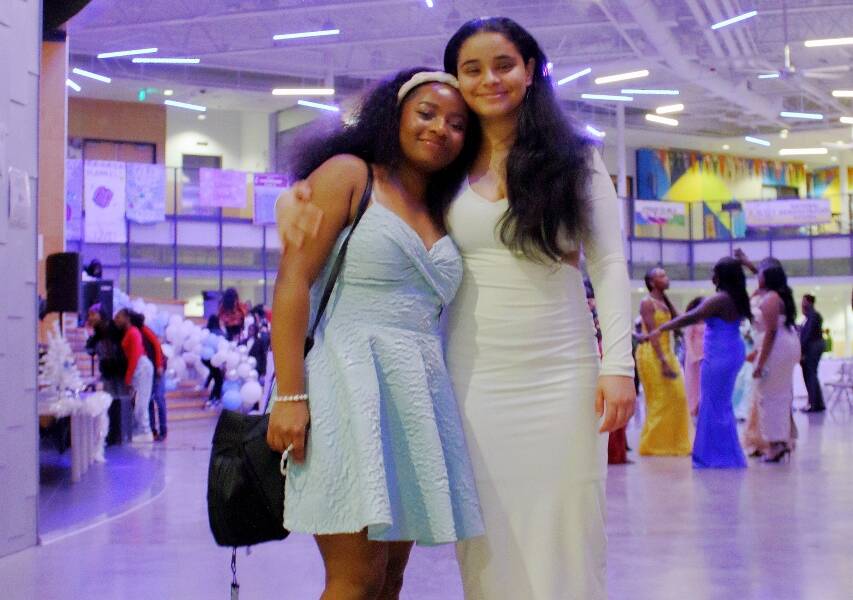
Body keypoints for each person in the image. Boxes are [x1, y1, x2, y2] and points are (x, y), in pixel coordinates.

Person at [276, 17, 636, 599]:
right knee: (486, 538)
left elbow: (611, 265)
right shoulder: (444, 166)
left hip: (562, 372)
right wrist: (284, 201)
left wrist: (619, 364)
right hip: (469, 378)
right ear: (455, 78)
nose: (489, 79)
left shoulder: (576, 160)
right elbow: (365, 192)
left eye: (503, 65)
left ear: (530, 71)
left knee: (569, 526)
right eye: (472, 69)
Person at [266, 68, 484, 600]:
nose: (440, 129)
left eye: (457, 124)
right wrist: (290, 395)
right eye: (427, 113)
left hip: (413, 398)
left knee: (389, 580)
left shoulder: (443, 206)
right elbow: (292, 283)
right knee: (355, 580)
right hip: (346, 386)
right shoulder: (350, 174)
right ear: (396, 115)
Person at [645, 257, 752, 469]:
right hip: (729, 351)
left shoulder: (720, 299)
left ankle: (716, 456)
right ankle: (723, 453)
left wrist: (663, 328)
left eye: (715, 272)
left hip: (719, 355)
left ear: (723, 276)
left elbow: (692, 317)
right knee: (720, 405)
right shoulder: (738, 297)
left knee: (713, 405)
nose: (712, 276)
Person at [636, 267, 692, 456]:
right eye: (662, 276)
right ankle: (653, 445)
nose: (666, 278)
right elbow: (652, 334)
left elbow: (680, 321)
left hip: (668, 353)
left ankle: (672, 443)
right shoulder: (647, 303)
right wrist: (663, 362)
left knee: (678, 397)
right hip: (653, 354)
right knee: (660, 399)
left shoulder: (665, 302)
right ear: (652, 282)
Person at [748, 264, 800, 463]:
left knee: (770, 397)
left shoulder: (771, 299)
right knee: (780, 395)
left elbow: (770, 332)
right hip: (784, 345)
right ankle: (782, 441)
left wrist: (760, 362)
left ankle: (776, 444)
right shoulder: (778, 296)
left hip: (775, 348)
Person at [114, 308, 155, 442]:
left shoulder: (133, 332)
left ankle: (145, 432)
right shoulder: (129, 332)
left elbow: (135, 356)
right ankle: (141, 431)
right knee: (137, 402)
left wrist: (128, 378)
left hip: (141, 367)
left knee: (141, 402)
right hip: (138, 367)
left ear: (127, 318)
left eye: (119, 317)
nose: (116, 320)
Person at [128, 311, 168, 442]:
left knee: (159, 399)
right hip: (147, 371)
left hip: (157, 369)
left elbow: (157, 346)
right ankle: (152, 430)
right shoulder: (133, 332)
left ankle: (163, 430)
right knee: (148, 400)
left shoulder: (144, 330)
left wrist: (159, 366)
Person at [800, 294, 826, 412]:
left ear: (809, 302)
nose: (802, 304)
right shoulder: (808, 317)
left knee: (810, 375)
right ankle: (817, 403)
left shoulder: (813, 316)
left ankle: (813, 404)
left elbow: (808, 335)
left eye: (804, 301)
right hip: (812, 347)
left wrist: (801, 350)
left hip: (813, 348)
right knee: (811, 375)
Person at [683, 296, 705, 417]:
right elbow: (687, 338)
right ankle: (693, 408)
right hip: (694, 355)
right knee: (693, 382)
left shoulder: (708, 320)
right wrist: (693, 356)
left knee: (703, 382)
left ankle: (701, 407)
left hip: (706, 355)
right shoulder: (692, 319)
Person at [202, 315, 225, 405]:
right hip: (215, 359)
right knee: (219, 379)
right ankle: (214, 398)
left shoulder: (205, 330)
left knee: (215, 375)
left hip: (205, 359)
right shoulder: (219, 332)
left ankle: (207, 385)